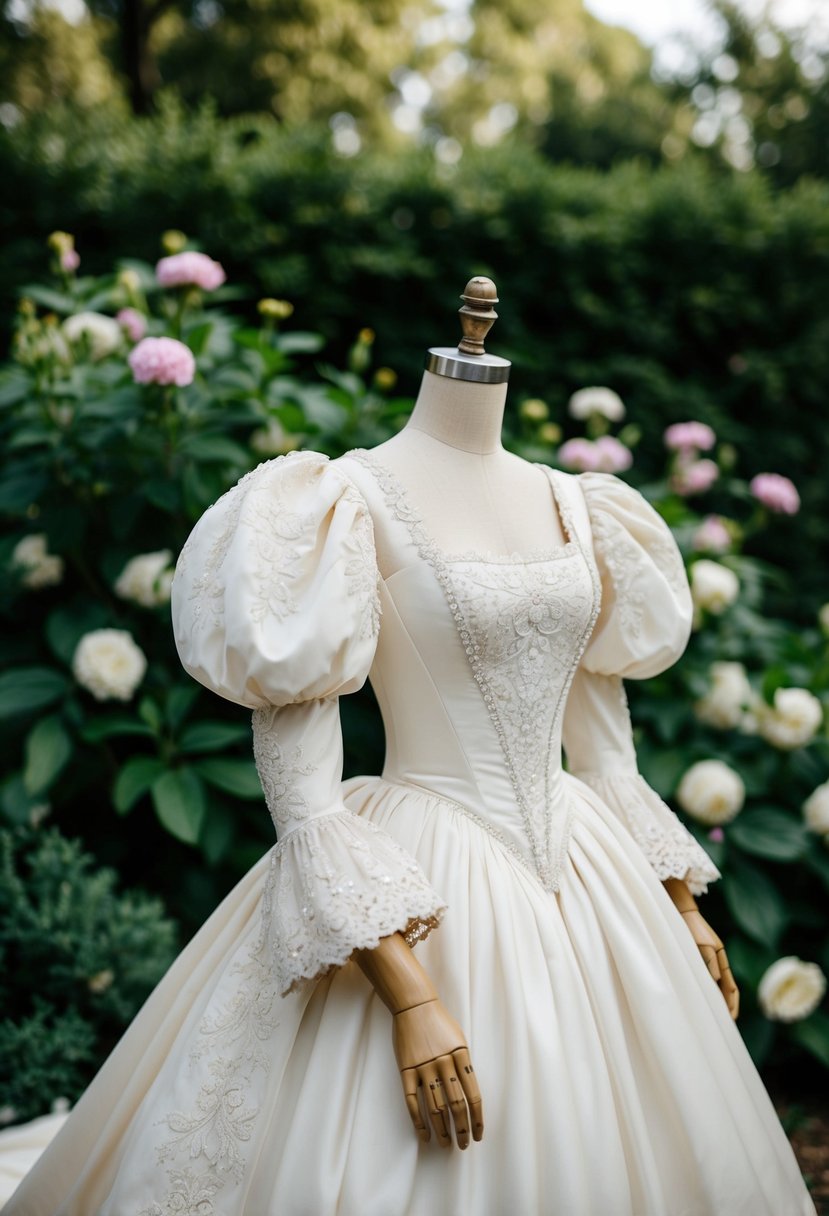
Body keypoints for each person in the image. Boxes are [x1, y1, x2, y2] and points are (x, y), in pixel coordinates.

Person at [3, 279, 816, 1215]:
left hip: (589, 872)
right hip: (423, 867)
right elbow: (302, 790)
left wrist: (678, 901)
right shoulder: (337, 502)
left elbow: (603, 752)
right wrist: (411, 997)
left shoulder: (583, 509)